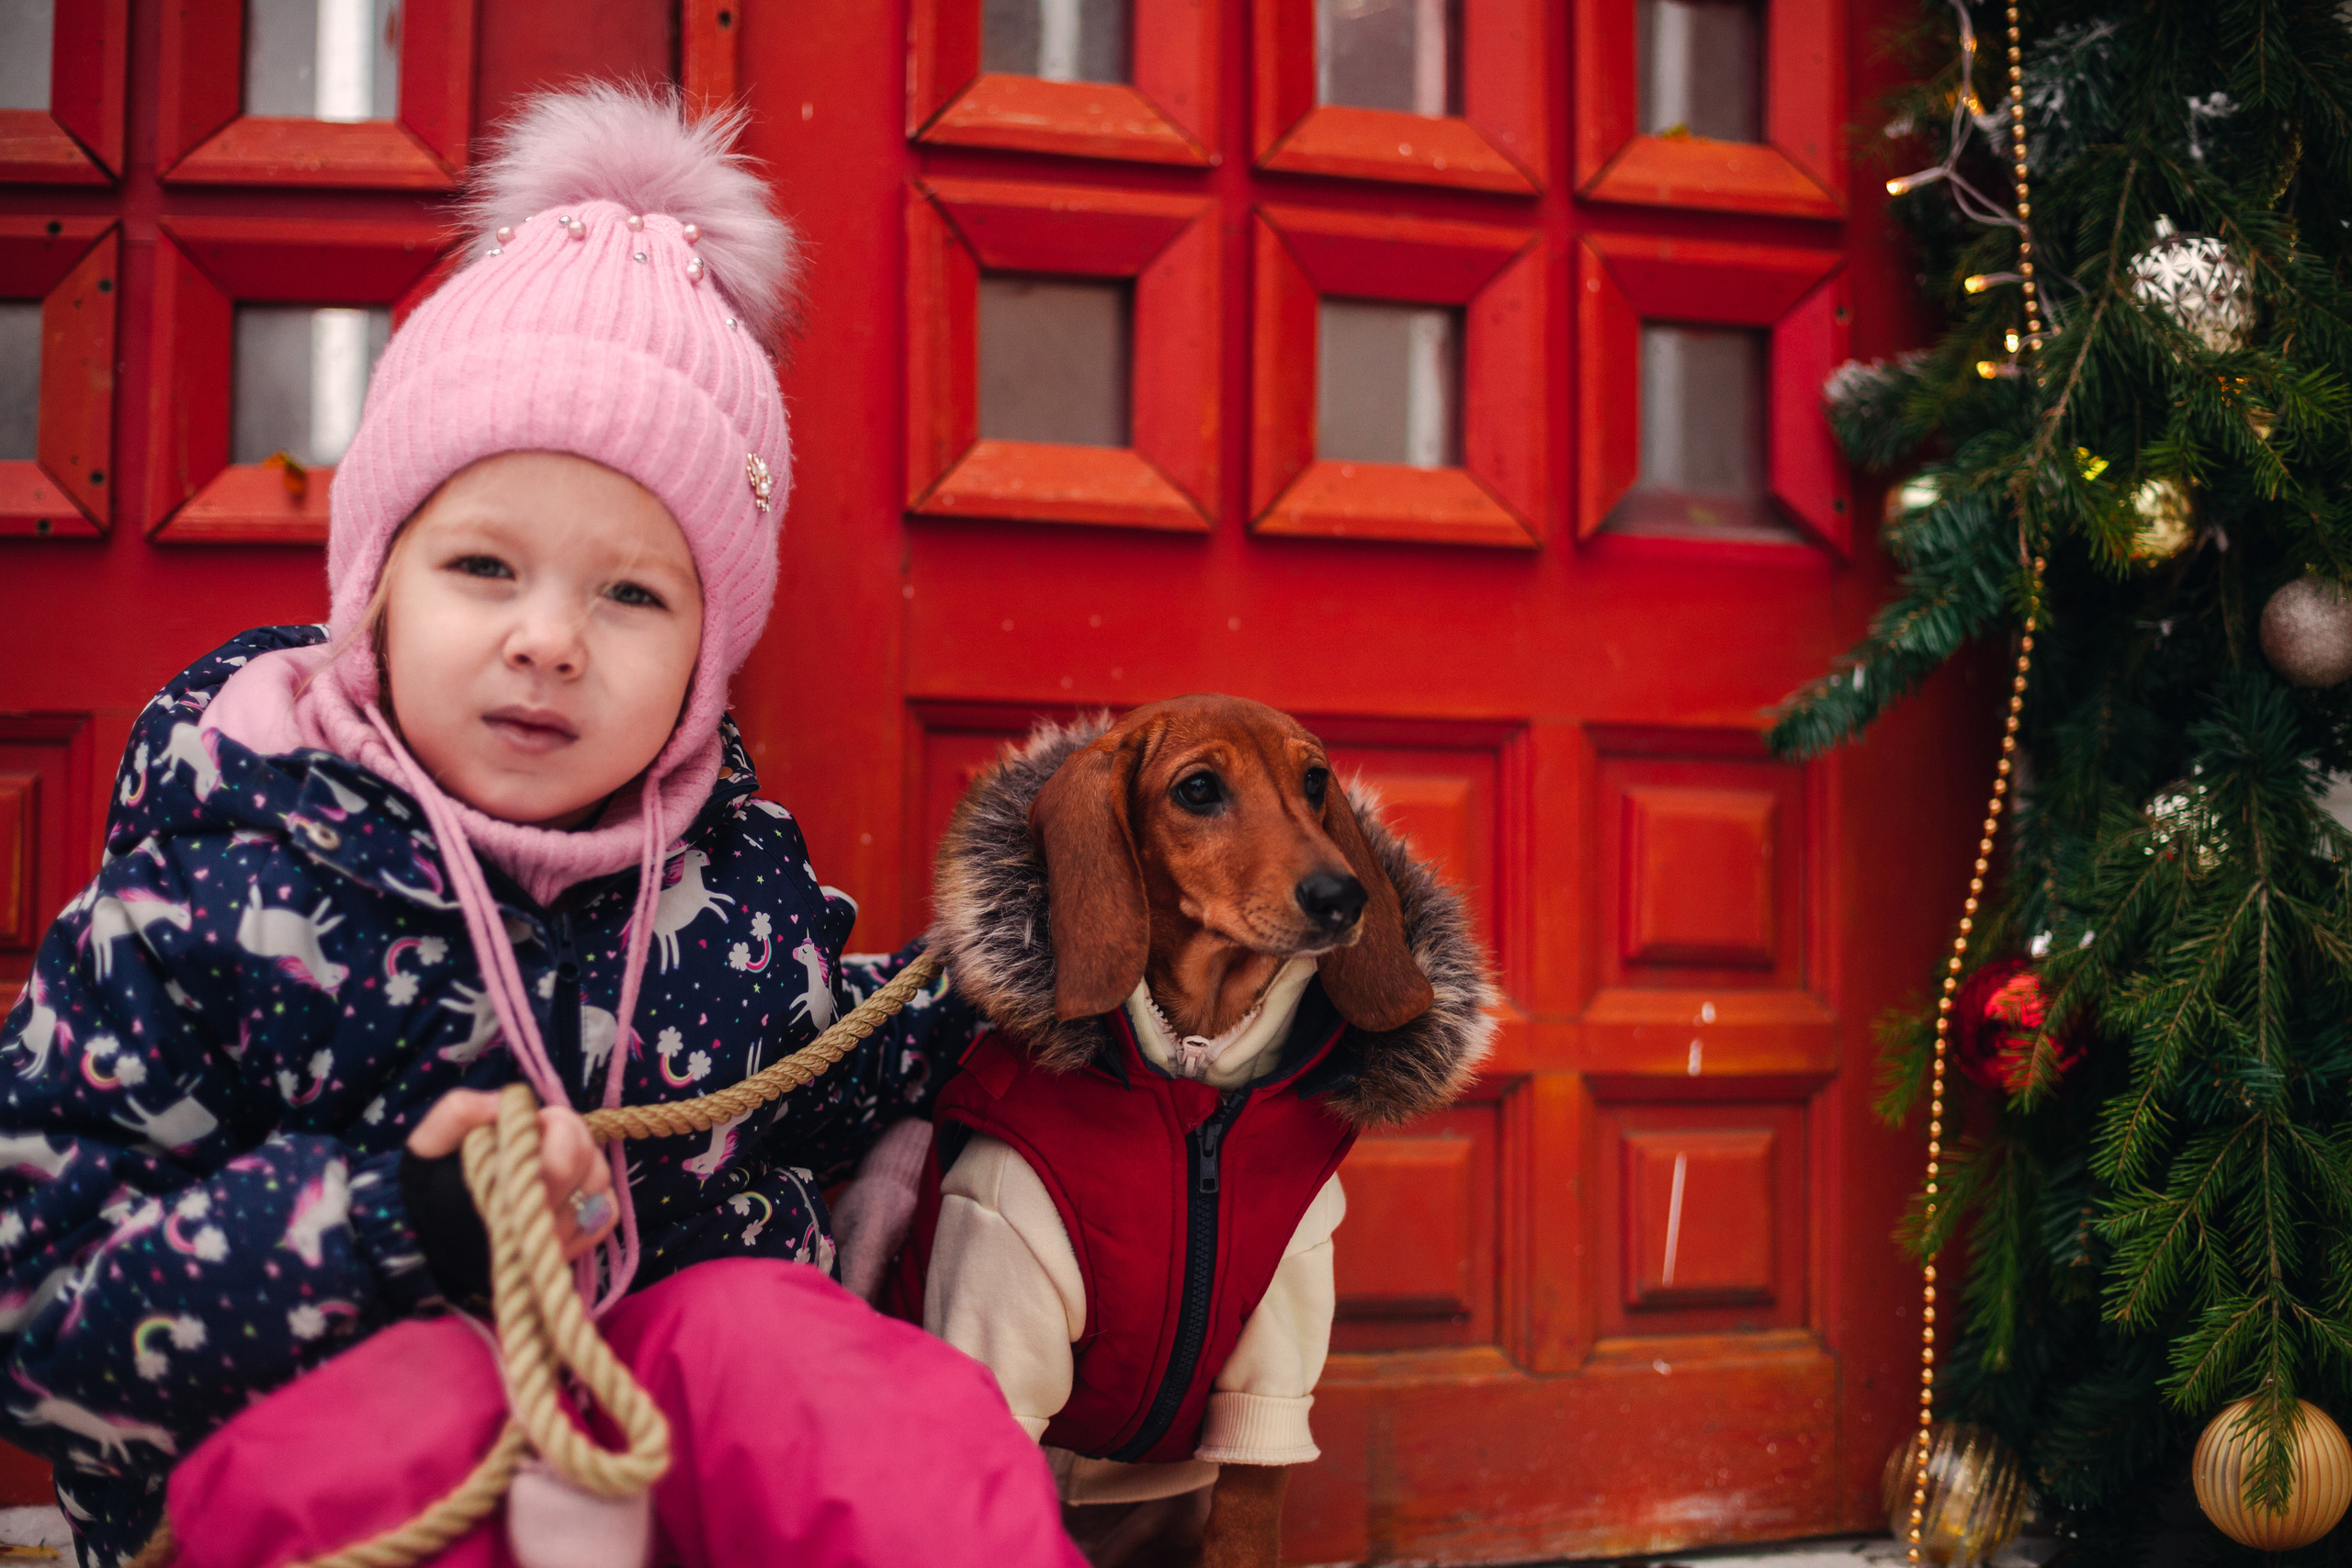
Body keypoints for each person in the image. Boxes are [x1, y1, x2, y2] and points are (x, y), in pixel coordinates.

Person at [0, 85, 1075, 1568]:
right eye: (484, 568)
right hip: (343, 1461)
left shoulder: (730, 884)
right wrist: (390, 1220)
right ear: (375, 585)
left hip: (649, 1446)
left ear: (708, 653)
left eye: (632, 594)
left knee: (811, 1369)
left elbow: (831, 1076)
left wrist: (1038, 941)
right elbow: (37, 1307)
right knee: (407, 1411)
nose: (550, 640)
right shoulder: (211, 892)